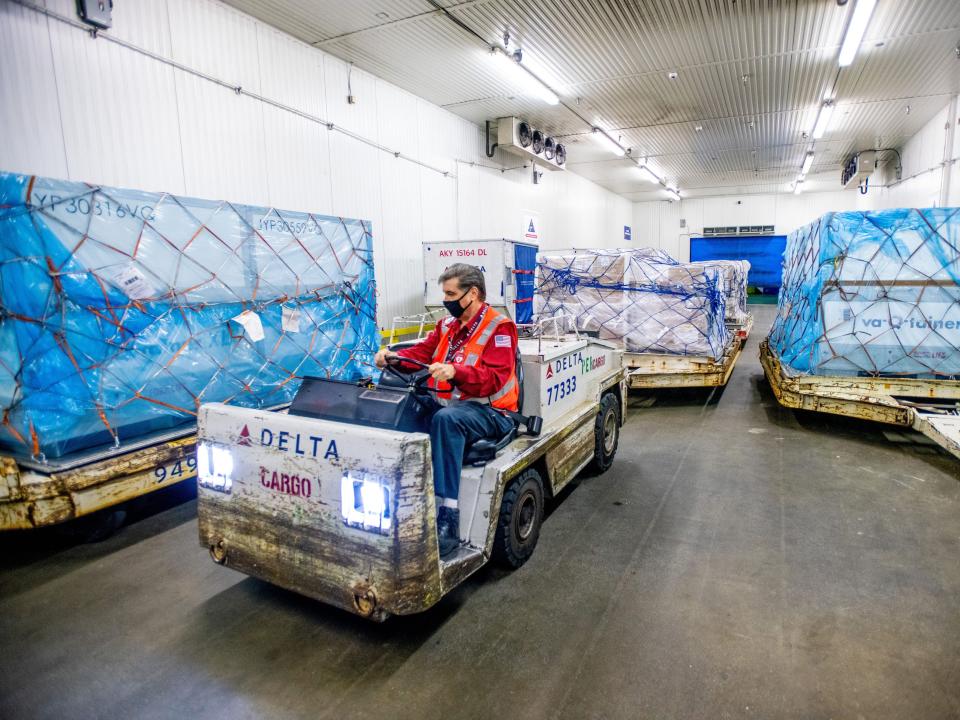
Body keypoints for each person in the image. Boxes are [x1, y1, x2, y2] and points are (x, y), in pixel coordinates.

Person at [374, 263, 519, 558]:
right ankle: (401, 496)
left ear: (473, 293)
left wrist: (456, 372)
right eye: (445, 293)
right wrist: (392, 358)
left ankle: (448, 517)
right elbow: (420, 354)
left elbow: (494, 378)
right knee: (401, 406)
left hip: (492, 412)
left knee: (446, 420)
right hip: (453, 406)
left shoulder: (500, 328)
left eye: (451, 293)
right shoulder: (446, 327)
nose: (446, 300)